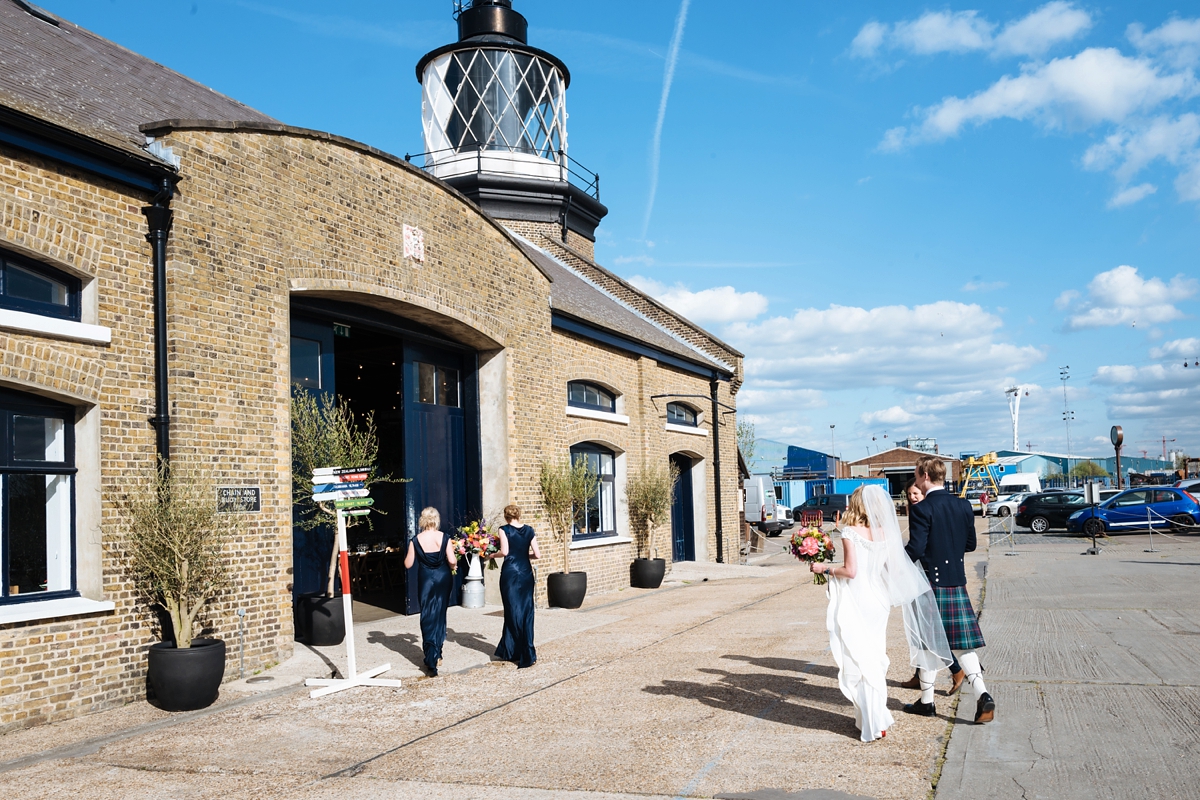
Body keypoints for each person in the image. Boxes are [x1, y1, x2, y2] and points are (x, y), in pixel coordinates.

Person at [811, 485, 951, 742]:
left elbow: (850, 571)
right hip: (879, 600)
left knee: (858, 658)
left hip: (858, 598)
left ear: (856, 505)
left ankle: (873, 720)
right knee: (874, 656)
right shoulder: (887, 533)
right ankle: (874, 719)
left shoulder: (849, 532)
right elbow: (892, 570)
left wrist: (823, 569)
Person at [903, 455, 996, 723]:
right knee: (961, 645)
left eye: (916, 474)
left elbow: (916, 550)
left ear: (924, 475)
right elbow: (970, 545)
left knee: (928, 642)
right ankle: (981, 694)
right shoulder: (964, 505)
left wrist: (893, 566)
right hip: (956, 580)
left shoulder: (922, 508)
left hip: (931, 582)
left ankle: (928, 701)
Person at [899, 477, 966, 696]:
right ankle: (920, 676)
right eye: (909, 495)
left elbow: (919, 546)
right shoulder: (918, 511)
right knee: (920, 629)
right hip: (918, 573)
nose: (912, 498)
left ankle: (956, 669)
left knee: (931, 630)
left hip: (929, 575)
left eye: (916, 494)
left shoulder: (926, 510)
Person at [404, 506, 456, 676]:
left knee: (427, 613)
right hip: (443, 577)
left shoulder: (415, 540)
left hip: (426, 578)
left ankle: (430, 654)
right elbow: (452, 560)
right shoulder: (444, 537)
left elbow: (408, 564)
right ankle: (438, 652)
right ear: (436, 520)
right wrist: (453, 566)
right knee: (440, 613)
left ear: (422, 520)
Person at [494, 504, 540, 668]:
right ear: (518, 515)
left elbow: (505, 552)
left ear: (506, 516)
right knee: (526, 611)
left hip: (511, 574)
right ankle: (521, 649)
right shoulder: (529, 530)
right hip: (526, 573)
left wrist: (491, 554)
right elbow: (537, 554)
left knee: (512, 611)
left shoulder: (504, 529)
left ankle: (517, 651)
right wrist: (523, 554)